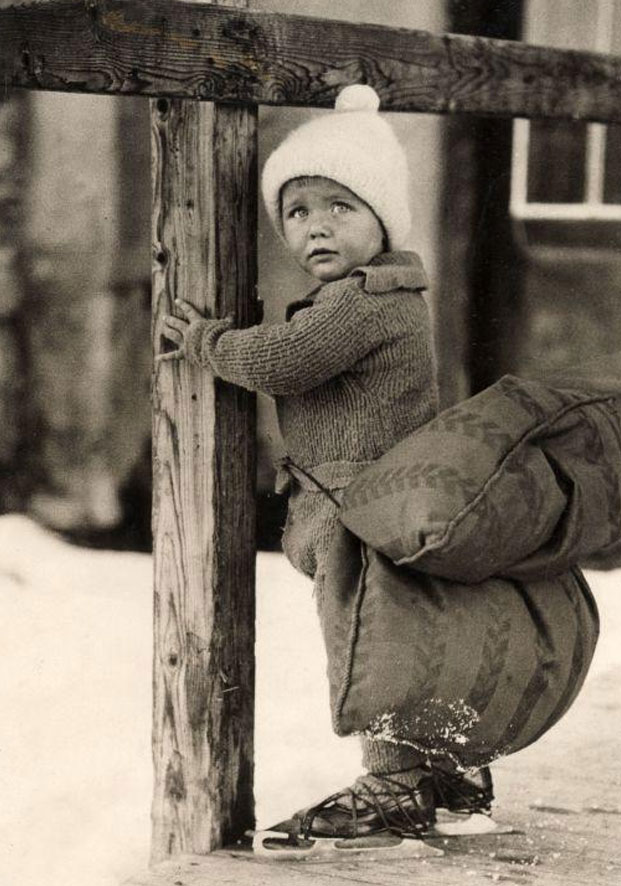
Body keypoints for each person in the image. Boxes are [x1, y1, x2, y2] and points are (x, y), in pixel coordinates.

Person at [159, 84, 492, 845]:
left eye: (339, 207)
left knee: (370, 643)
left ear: (384, 219)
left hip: (366, 514)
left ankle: (394, 784)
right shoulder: (372, 293)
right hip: (372, 506)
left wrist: (207, 342)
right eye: (298, 211)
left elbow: (284, 358)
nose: (315, 227)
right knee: (401, 635)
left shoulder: (367, 300)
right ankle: (439, 767)